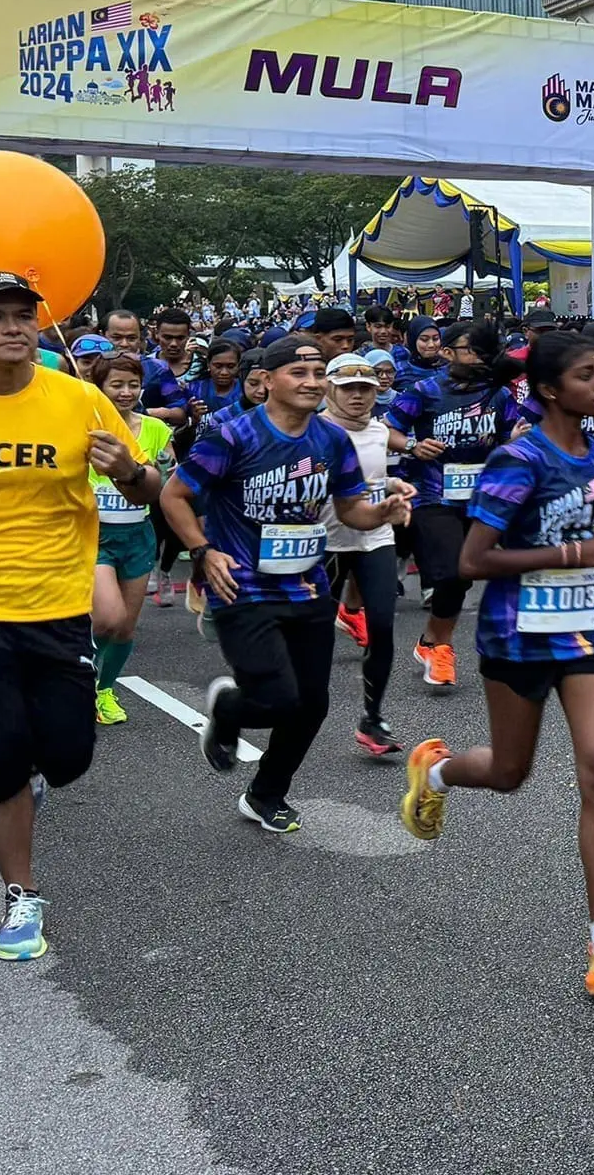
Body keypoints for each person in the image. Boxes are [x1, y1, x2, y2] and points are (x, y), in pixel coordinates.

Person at [399, 330, 594, 996]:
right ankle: (434, 772)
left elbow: (589, 527)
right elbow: (473, 561)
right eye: (588, 375)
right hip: (517, 636)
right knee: (507, 772)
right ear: (550, 389)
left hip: (589, 633)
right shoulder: (517, 460)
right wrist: (569, 559)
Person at [0, 272, 157, 960]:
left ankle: (35, 777)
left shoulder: (77, 398)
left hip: (58, 607)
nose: (12, 328)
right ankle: (21, 893)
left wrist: (129, 469)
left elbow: (148, 486)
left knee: (67, 757)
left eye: (22, 315)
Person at [163, 335, 413, 832]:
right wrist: (203, 551)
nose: (312, 383)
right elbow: (174, 495)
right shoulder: (233, 437)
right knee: (278, 698)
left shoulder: (332, 441)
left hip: (306, 585)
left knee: (313, 704)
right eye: (299, 374)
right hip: (242, 584)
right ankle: (230, 709)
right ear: (269, 380)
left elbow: (350, 510)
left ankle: (264, 794)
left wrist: (380, 511)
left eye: (318, 374)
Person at [385, 319, 519, 688]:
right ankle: (441, 646)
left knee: (468, 577)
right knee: (449, 572)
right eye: (468, 349)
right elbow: (388, 429)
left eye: (482, 351)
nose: (476, 358)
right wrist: (413, 445)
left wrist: (511, 447)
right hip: (433, 495)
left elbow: (509, 440)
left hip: (483, 499)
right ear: (447, 352)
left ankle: (433, 642)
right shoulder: (424, 390)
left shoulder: (499, 395)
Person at [320, 352, 412, 757]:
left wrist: (394, 484)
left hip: (375, 537)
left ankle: (372, 718)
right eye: (347, 389)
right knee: (313, 637)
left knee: (382, 627)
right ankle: (298, 708)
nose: (357, 397)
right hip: (325, 543)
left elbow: (374, 475)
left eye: (366, 389)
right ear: (329, 390)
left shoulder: (378, 430)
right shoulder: (314, 430)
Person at [86, 352, 176, 727]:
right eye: (116, 385)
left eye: (132, 384)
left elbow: (167, 482)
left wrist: (167, 467)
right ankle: (81, 677)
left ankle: (105, 690)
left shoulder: (156, 430)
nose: (125, 392)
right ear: (100, 387)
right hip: (96, 536)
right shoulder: (84, 428)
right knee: (108, 618)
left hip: (138, 535)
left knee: (126, 627)